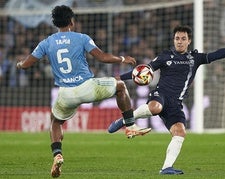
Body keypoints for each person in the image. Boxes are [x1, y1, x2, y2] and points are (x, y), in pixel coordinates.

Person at [16, 5, 151, 178]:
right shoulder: (81, 38)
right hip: (87, 87)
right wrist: (123, 59)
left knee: (55, 122)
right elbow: (102, 57)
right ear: (72, 21)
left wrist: (20, 64)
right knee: (120, 86)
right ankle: (130, 126)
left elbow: (26, 64)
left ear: (55, 23)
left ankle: (57, 154)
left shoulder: (47, 42)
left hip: (65, 94)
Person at [108, 25, 225, 175]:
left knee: (180, 132)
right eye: (177, 38)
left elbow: (216, 55)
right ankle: (125, 120)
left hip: (176, 103)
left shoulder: (195, 58)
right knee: (155, 107)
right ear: (173, 40)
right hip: (160, 95)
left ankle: (166, 168)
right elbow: (141, 71)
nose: (180, 42)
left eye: (183, 39)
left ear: (189, 41)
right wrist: (118, 78)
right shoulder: (165, 56)